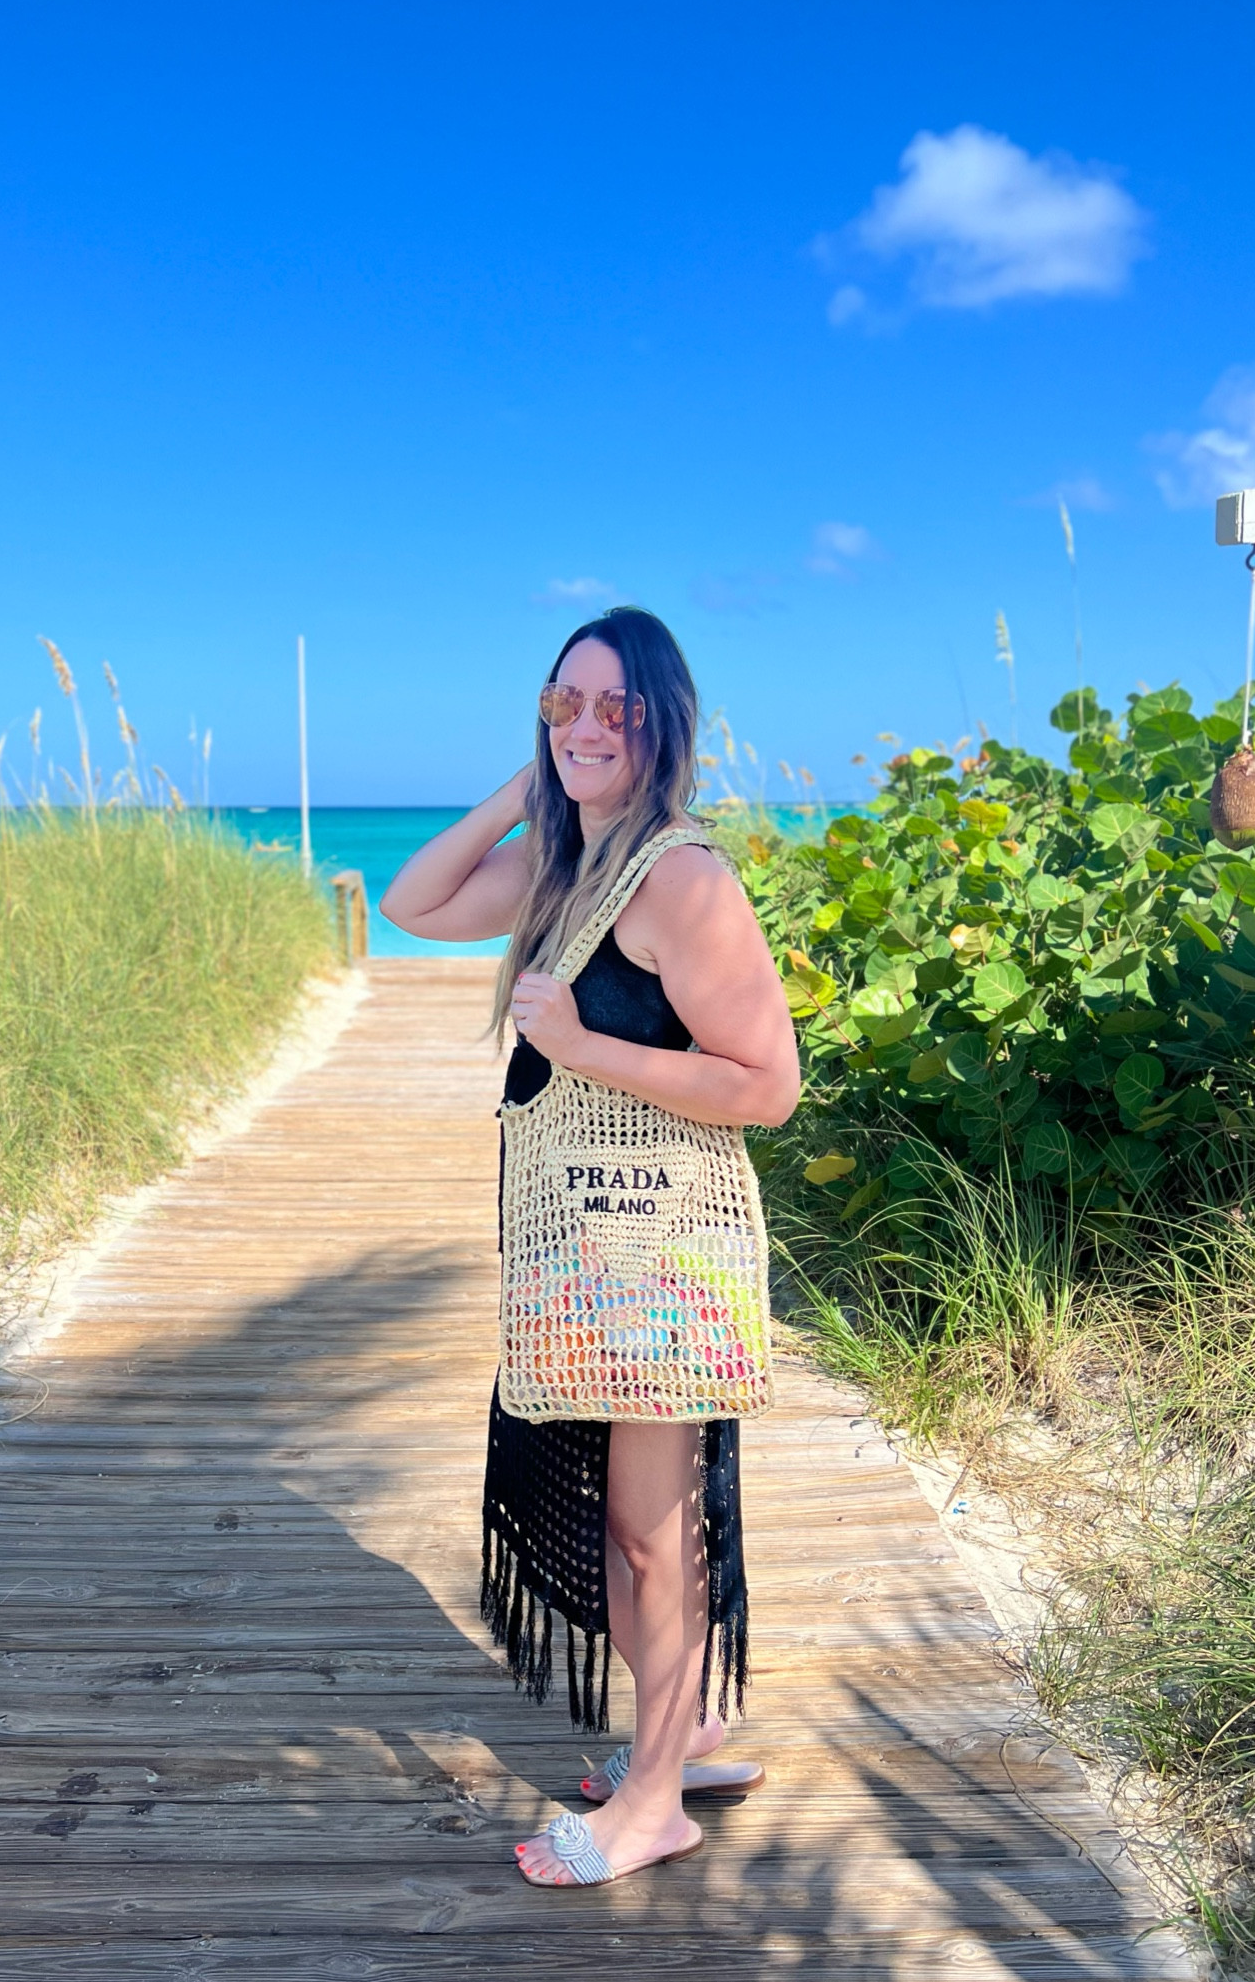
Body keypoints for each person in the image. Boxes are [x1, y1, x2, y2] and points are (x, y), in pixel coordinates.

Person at [381, 606, 800, 1887]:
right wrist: (535, 777)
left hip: (662, 1257)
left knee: (648, 1535)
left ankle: (656, 1801)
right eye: (564, 702)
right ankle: (680, 1741)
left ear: (664, 722)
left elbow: (768, 1083)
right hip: (584, 1256)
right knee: (633, 1530)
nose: (588, 727)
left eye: (616, 707)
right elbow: (414, 900)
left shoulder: (683, 878)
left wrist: (583, 1047)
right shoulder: (570, 866)